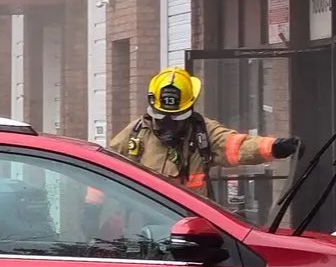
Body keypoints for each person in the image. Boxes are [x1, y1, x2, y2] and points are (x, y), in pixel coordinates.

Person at [106, 66, 301, 197]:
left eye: (176, 118)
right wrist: (92, 210)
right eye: (162, 116)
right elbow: (106, 169)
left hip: (192, 228)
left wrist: (274, 147)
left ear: (190, 108)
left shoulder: (203, 133)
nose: (169, 124)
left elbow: (235, 145)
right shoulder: (136, 133)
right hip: (144, 229)